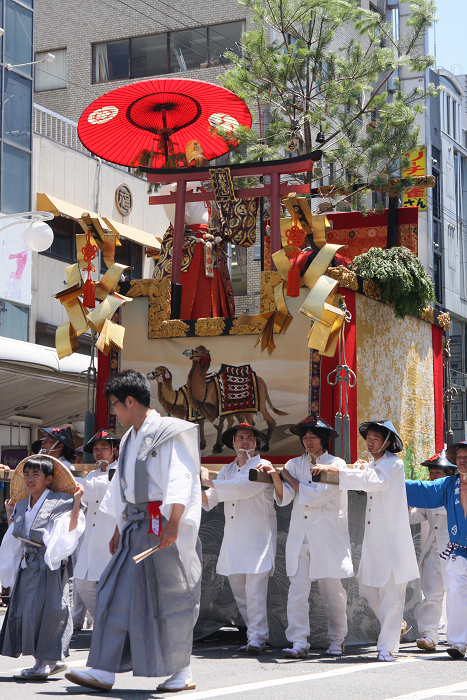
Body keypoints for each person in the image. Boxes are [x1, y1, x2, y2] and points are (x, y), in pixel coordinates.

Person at [66, 369, 202, 693]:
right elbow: (119, 488)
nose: (113, 412)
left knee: (170, 598)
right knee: (112, 592)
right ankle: (103, 669)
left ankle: (181, 671)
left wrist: (174, 522)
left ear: (130, 401)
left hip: (162, 524)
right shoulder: (129, 438)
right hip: (135, 527)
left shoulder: (170, 431)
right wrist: (117, 527)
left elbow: (182, 477)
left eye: (114, 405)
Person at [312, 420, 419, 662]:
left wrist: (338, 472)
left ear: (388, 442)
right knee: (368, 589)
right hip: (374, 541)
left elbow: (373, 481)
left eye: (375, 438)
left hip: (392, 541)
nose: (370, 442)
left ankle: (388, 647)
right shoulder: (374, 464)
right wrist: (359, 470)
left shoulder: (394, 464)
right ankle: (396, 625)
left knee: (392, 594)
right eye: (368, 437)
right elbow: (367, 476)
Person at [263, 415, 353, 658]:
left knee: (331, 591)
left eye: (313, 436)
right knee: (297, 591)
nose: (308, 441)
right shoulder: (294, 463)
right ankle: (298, 641)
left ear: (323, 439)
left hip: (326, 536)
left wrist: (288, 477)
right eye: (305, 437)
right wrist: (275, 476)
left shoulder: (337, 464)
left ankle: (337, 639)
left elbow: (316, 496)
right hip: (300, 535)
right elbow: (286, 498)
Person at [0, 455, 85, 679]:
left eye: (35, 474)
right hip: (28, 566)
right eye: (26, 474)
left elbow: (70, 529)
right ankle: (40, 661)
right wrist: (10, 515)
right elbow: (17, 536)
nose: (29, 479)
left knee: (51, 611)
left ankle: (49, 661)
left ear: (48, 479)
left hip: (50, 565)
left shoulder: (60, 502)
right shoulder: (21, 505)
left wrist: (76, 502)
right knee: (28, 613)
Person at [201, 423, 276, 654]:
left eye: (250, 438)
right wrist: (192, 484)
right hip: (234, 541)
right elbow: (210, 500)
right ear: (232, 443)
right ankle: (254, 633)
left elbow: (242, 488)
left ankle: (257, 638)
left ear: (257, 443)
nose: (245, 442)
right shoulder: (227, 470)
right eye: (240, 438)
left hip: (257, 540)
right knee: (240, 592)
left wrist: (207, 480)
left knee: (254, 591)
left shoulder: (263, 466)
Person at [154, 181, 258, 319]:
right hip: (192, 251)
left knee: (216, 298)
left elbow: (230, 220)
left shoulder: (210, 193)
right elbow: (166, 190)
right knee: (188, 296)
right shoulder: (184, 187)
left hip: (213, 251)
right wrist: (192, 182)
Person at [406, 440, 467, 659]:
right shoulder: (442, 490)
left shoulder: (447, 489)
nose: (433, 476)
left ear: (448, 472)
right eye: (431, 472)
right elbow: (416, 512)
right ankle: (434, 636)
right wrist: (397, 498)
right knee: (437, 595)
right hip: (441, 551)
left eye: (437, 472)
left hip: (453, 550)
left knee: (456, 595)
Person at [73, 429, 120, 628]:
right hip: (91, 536)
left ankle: (108, 626)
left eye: (104, 448)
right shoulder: (92, 474)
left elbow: (93, 489)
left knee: (107, 585)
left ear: (114, 450)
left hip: (109, 535)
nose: (99, 452)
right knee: (82, 581)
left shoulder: (118, 471)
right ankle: (105, 623)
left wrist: (64, 478)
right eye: (96, 449)